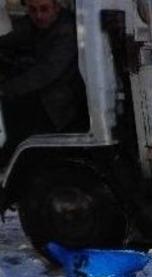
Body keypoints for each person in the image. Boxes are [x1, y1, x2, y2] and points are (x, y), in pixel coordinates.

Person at [0, 0, 88, 166]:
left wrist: (5, 89)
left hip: (58, 106)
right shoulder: (37, 24)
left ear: (56, 7)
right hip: (44, 95)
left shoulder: (67, 30)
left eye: (44, 9)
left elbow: (44, 73)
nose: (39, 15)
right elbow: (15, 36)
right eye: (33, 10)